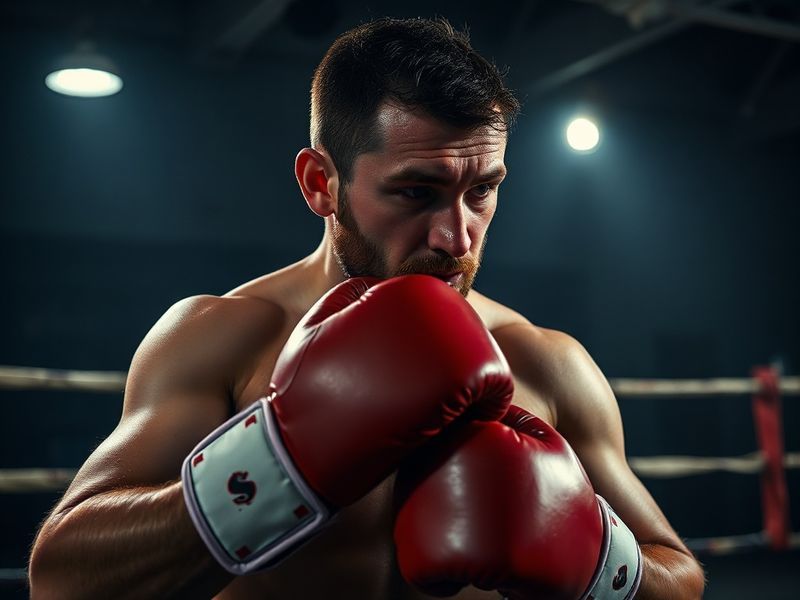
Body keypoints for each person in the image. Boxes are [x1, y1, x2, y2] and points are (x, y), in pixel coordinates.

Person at [28, 17, 705, 599]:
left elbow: (679, 580)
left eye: (482, 190)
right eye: (416, 192)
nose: (457, 237)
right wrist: (282, 463)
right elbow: (61, 580)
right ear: (321, 184)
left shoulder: (543, 362)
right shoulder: (224, 338)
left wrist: (591, 556)